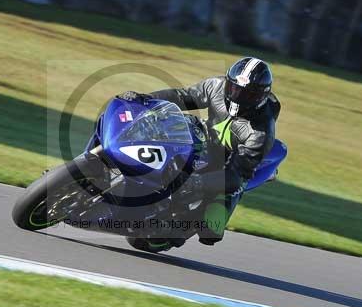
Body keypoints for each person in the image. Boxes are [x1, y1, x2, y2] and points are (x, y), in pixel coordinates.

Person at [117, 57, 280, 247]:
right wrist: (144, 99)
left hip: (229, 160)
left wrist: (196, 183)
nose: (238, 97)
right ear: (228, 83)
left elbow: (236, 176)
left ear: (261, 97)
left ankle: (181, 227)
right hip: (203, 134)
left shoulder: (261, 133)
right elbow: (182, 96)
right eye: (235, 89)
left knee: (210, 229)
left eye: (248, 95)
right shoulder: (215, 86)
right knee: (165, 123)